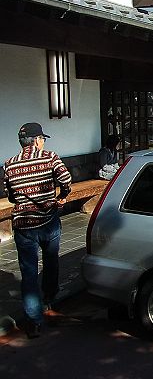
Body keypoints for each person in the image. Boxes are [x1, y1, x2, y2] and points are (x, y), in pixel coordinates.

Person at [3, 123, 72, 338]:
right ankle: (49, 300)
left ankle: (33, 322)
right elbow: (66, 179)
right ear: (36, 140)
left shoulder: (9, 164)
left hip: (23, 225)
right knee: (51, 262)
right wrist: (62, 196)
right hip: (48, 220)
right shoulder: (49, 157)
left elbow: (10, 195)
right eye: (42, 138)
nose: (43, 142)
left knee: (28, 272)